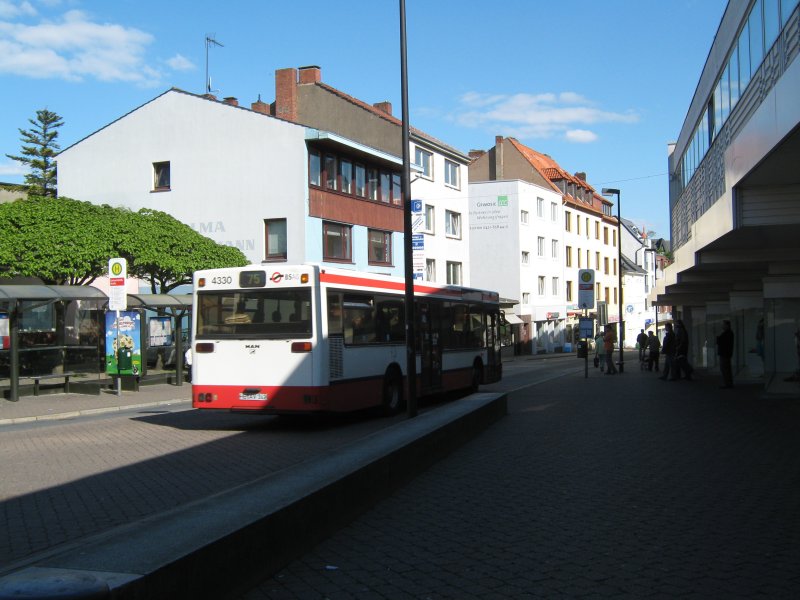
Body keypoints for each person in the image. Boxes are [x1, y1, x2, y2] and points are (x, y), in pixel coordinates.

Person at [716, 319, 734, 388]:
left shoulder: (727, 333)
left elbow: (720, 342)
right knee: (726, 369)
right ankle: (728, 383)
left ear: (727, 325)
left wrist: (718, 338)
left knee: (725, 369)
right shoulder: (729, 333)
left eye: (723, 325)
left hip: (724, 354)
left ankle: (727, 384)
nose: (722, 326)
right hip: (726, 354)